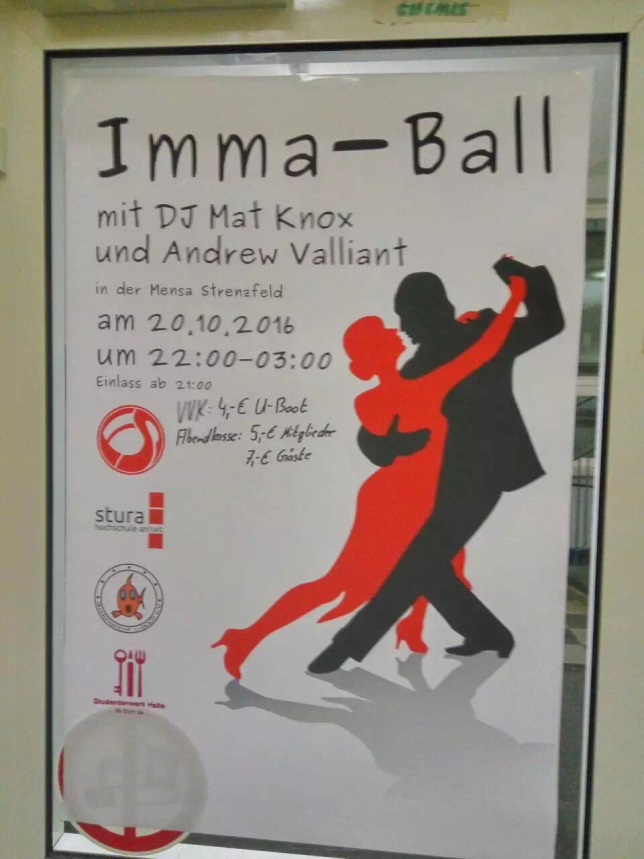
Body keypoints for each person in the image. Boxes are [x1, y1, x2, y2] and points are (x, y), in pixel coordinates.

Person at [213, 268, 527, 679]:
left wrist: (511, 301)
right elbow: (479, 353)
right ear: (377, 350)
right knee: (343, 581)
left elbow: (484, 349)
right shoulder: (391, 396)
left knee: (429, 570)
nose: (397, 331)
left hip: (424, 495)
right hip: (394, 499)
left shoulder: (419, 384)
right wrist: (513, 298)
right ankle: (254, 638)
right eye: (385, 331)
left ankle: (437, 633)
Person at [308, 256, 564, 674]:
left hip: (482, 472)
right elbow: (376, 429)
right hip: (434, 478)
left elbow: (548, 323)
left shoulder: (475, 337)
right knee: (424, 562)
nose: (403, 327)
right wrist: (391, 445)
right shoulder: (423, 361)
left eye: (407, 316)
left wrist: (515, 274)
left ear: (432, 310)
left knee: (419, 560)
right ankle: (488, 634)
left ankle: (346, 647)